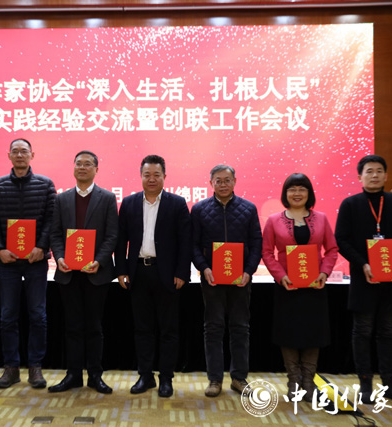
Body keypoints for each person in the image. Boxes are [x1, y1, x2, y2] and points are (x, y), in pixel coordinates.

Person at [335, 155, 392, 404]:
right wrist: (363, 264)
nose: (374, 175)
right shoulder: (350, 204)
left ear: (386, 175)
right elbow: (341, 240)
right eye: (369, 171)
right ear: (360, 176)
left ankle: (390, 383)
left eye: (379, 171)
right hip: (365, 279)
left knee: (389, 331)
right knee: (362, 331)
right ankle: (365, 384)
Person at [115, 155, 191, 398]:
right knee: (142, 328)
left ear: (164, 177)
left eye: (156, 175)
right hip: (138, 272)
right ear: (141, 176)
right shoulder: (129, 203)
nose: (151, 179)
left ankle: (166, 378)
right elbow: (121, 240)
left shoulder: (177, 203)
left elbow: (185, 242)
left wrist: (182, 272)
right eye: (147, 175)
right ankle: (145, 376)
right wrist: (121, 270)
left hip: (167, 275)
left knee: (169, 330)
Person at [0, 138, 57, 389]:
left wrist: (42, 247)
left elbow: (51, 219)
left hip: (36, 260)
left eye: (23, 151)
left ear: (32, 155)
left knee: (38, 315)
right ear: (9, 155)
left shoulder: (45, 184)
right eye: (15, 151)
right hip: (8, 261)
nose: (19, 155)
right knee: (8, 316)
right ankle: (11, 367)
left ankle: (35, 366)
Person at [261, 173, 338, 401]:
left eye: (302, 189)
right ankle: (294, 381)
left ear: (309, 193)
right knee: (289, 334)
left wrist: (324, 273)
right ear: (285, 193)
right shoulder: (274, 220)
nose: (297, 193)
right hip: (287, 287)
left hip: (315, 287)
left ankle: (309, 382)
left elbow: (332, 250)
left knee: (313, 334)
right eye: (292, 189)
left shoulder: (321, 218)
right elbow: (267, 252)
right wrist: (281, 276)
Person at [48, 150, 118, 394]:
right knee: (73, 326)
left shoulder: (107, 198)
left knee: (94, 327)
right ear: (73, 167)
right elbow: (55, 233)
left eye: (88, 164)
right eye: (78, 163)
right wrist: (59, 257)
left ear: (96, 169)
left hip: (96, 273)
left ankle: (95, 376)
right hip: (69, 273)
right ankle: (73, 375)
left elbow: (112, 235)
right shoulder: (61, 199)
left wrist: (99, 260)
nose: (82, 167)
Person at [191, 165, 263, 398]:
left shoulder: (248, 208)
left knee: (240, 327)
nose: (223, 184)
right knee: (213, 327)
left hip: (240, 279)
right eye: (218, 180)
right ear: (211, 183)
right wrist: (204, 268)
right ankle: (215, 379)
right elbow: (193, 244)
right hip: (212, 279)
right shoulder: (199, 209)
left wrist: (249, 271)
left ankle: (239, 378)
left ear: (235, 181)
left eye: (227, 180)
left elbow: (256, 242)